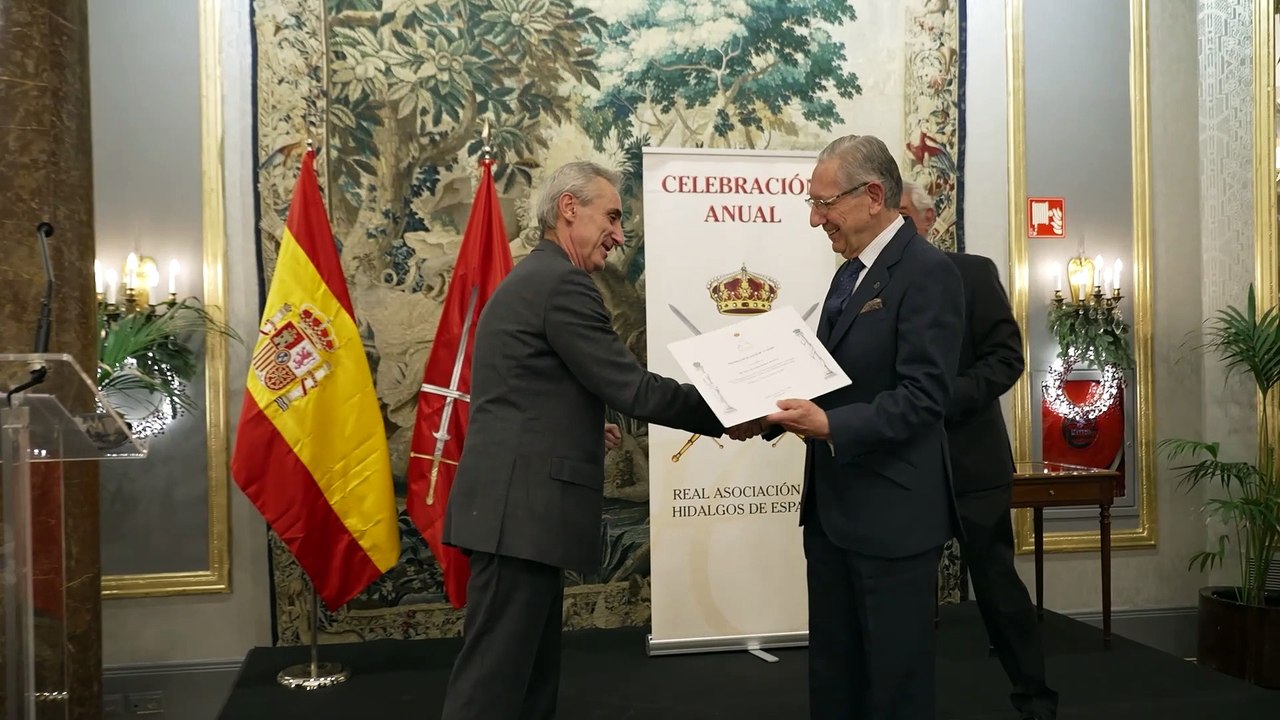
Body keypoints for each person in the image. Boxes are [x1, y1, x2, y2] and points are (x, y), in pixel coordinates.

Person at [439, 161, 755, 720]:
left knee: (527, 680)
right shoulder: (562, 284)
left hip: (516, 512)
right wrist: (734, 410)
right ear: (568, 209)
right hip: (521, 517)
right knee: (493, 686)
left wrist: (583, 423)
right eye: (610, 216)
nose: (618, 232)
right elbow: (632, 388)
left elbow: (524, 391)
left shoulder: (536, 279)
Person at [762, 135, 965, 720]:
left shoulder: (928, 273)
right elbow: (831, 380)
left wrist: (830, 425)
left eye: (824, 204)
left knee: (893, 685)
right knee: (835, 674)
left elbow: (925, 397)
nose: (814, 219)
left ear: (874, 195)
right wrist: (767, 413)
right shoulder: (848, 275)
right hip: (832, 514)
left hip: (893, 521)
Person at [902, 181, 1059, 720]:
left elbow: (1005, 358)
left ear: (927, 220)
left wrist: (942, 399)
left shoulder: (971, 272)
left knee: (995, 584)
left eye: (904, 215)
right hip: (904, 466)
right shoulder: (869, 286)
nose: (896, 226)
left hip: (971, 459)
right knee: (903, 592)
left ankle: (1035, 697)